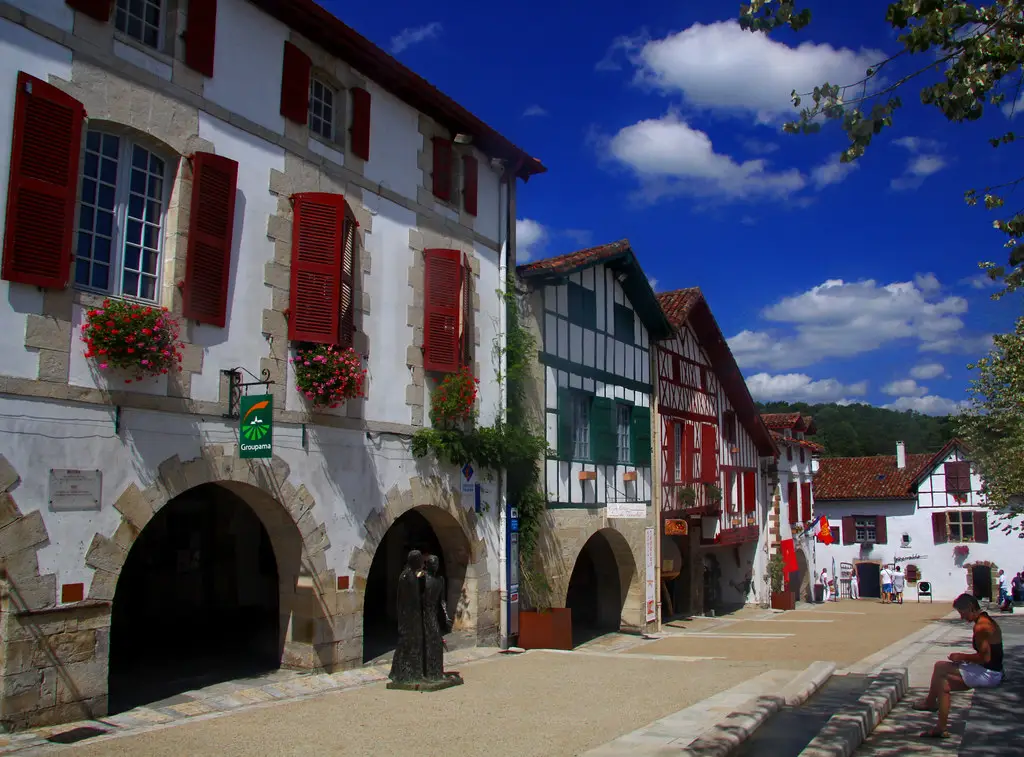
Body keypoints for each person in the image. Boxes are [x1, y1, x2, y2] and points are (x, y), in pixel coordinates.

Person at [914, 593, 1004, 739]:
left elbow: (985, 658)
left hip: (990, 673)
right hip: (991, 670)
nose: (962, 617)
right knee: (943, 681)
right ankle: (940, 725)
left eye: (962, 613)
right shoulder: (985, 620)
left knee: (941, 668)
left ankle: (931, 705)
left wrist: (961, 657)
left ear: (970, 607)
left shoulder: (981, 627)